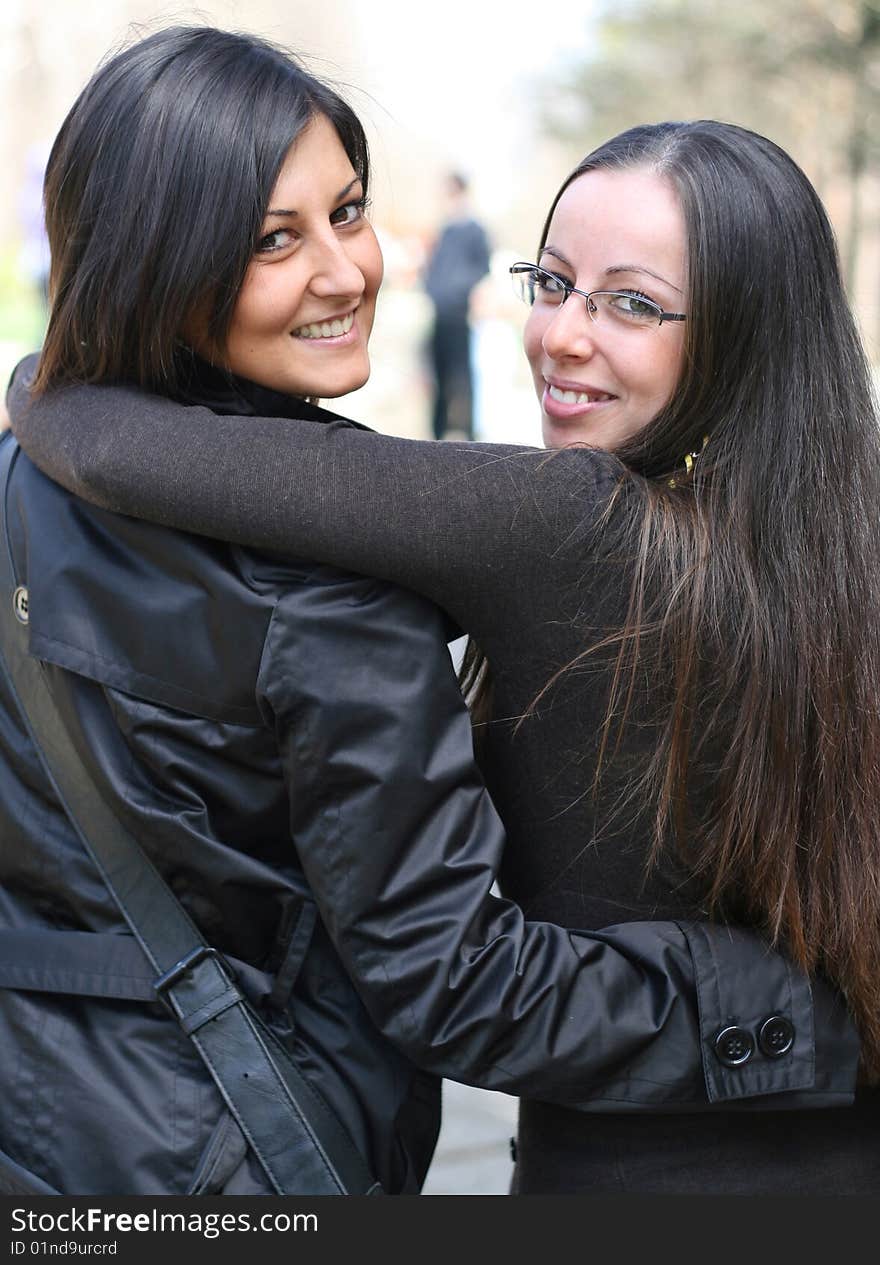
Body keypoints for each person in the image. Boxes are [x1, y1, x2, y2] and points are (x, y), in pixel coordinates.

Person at [0, 29, 846, 1199]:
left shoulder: (566, 530)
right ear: (167, 254)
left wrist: (47, 395)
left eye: (632, 305)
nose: (560, 335)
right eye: (549, 284)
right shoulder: (820, 536)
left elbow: (137, 447)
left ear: (750, 329)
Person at [423, 171, 490, 439]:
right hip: (439, 314)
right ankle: (436, 433)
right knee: (437, 375)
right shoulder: (444, 231)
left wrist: (459, 291)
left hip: (461, 315)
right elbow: (433, 269)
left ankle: (468, 432)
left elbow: (481, 267)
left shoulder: (475, 230)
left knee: (462, 378)